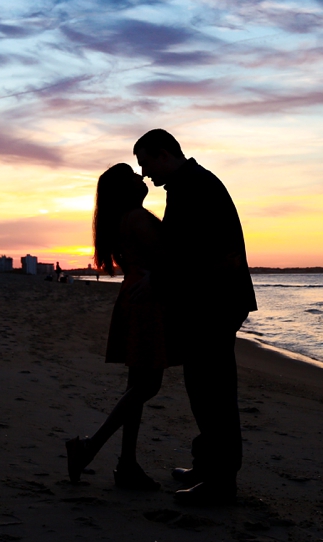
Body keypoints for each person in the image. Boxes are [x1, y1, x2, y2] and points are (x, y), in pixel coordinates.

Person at [133, 129, 257, 507]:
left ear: (164, 153)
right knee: (201, 386)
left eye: (145, 163)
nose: (144, 175)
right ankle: (207, 467)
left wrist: (156, 277)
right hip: (209, 301)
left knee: (214, 390)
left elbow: (195, 253)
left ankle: (221, 482)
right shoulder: (188, 184)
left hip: (215, 303)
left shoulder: (195, 186)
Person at [65, 163, 179, 490]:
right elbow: (170, 258)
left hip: (136, 299)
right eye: (132, 175)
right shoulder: (136, 218)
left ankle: (126, 464)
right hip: (146, 303)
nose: (140, 177)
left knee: (137, 385)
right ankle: (89, 447)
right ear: (123, 189)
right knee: (147, 386)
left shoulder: (125, 220)